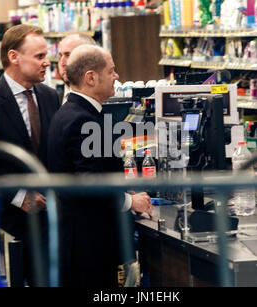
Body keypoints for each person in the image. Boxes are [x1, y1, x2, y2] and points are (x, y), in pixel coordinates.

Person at [47, 45, 153, 287]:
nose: (116, 76)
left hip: (79, 245)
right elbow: (90, 185)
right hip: (88, 250)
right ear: (91, 78)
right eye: (111, 71)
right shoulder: (82, 120)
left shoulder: (71, 113)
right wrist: (130, 201)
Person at [0, 24, 60, 286]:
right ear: (14, 57)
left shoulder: (51, 97)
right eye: (39, 56)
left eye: (46, 55)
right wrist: (18, 196)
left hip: (51, 219)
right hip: (10, 221)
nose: (47, 62)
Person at [57, 34, 96, 104]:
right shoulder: (52, 101)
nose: (62, 63)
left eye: (68, 55)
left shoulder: (106, 100)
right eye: (60, 56)